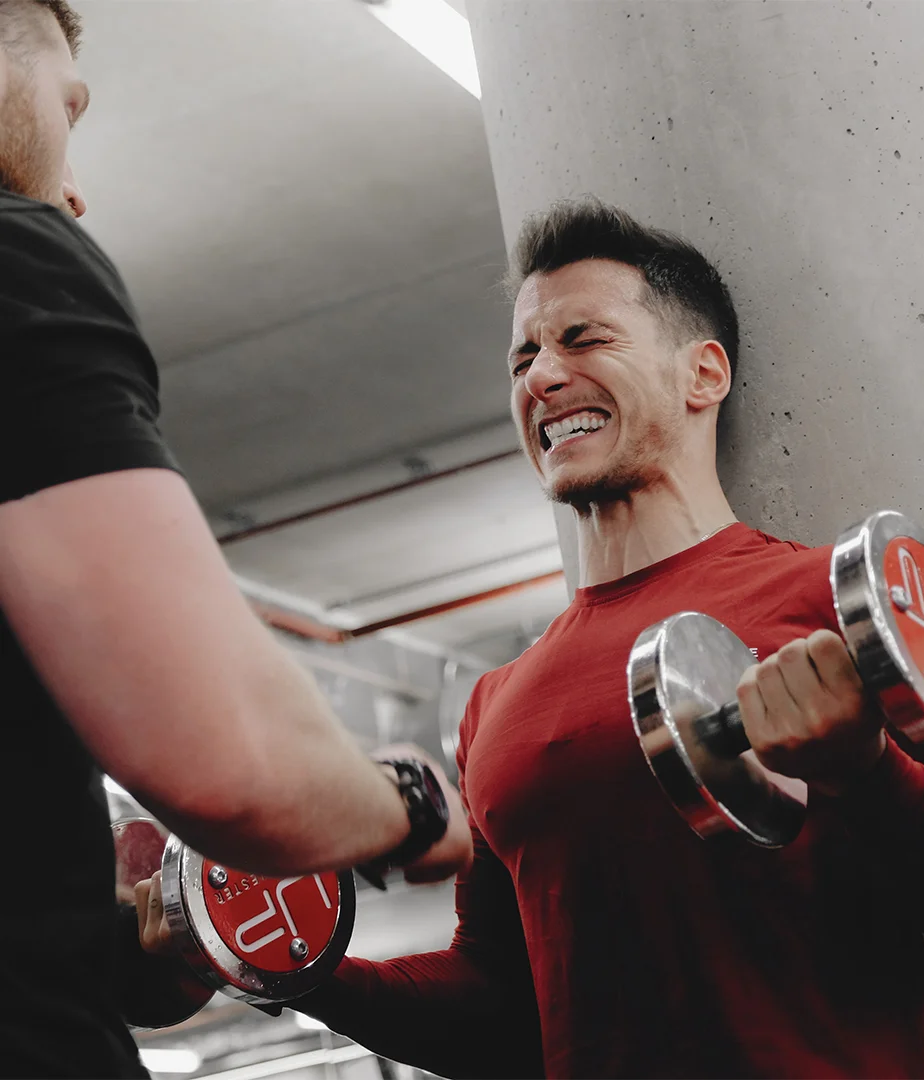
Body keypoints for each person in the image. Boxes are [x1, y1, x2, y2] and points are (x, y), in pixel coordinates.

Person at [142, 201, 924, 1076]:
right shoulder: (496, 705)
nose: (539, 377)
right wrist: (279, 962)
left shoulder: (835, 595)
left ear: (704, 373)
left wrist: (864, 767)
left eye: (584, 339)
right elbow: (504, 1019)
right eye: (523, 357)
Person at [0, 4, 471, 1077]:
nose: (76, 187)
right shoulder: (20, 256)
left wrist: (120, 947)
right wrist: (406, 807)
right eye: (65, 108)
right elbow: (235, 771)